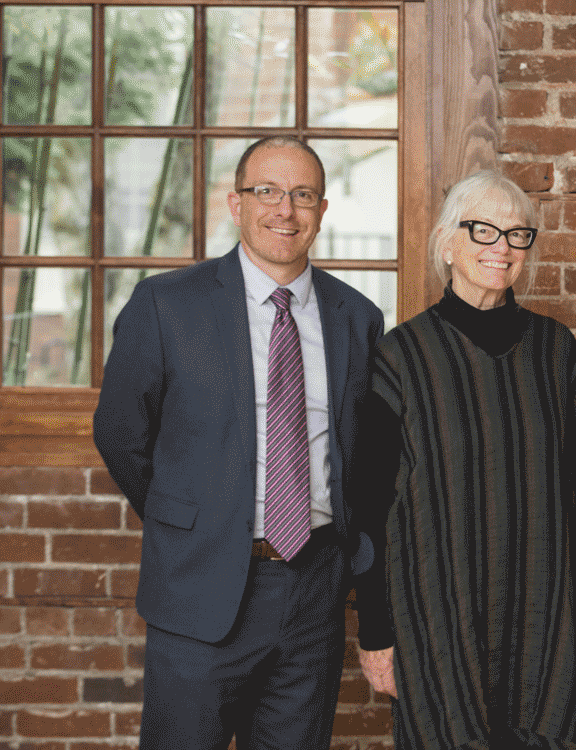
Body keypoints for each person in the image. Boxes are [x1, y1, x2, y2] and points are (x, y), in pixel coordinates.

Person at [93, 136, 384, 749]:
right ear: (236, 204)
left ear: (322, 210)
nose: (285, 210)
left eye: (303, 195)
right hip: (199, 592)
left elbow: (360, 457)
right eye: (268, 192)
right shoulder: (167, 304)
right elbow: (121, 432)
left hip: (312, 595)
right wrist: (191, 522)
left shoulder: (356, 317)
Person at [352, 170, 576, 749]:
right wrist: (375, 631)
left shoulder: (555, 351)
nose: (501, 248)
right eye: (482, 231)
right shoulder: (400, 358)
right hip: (437, 617)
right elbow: (369, 507)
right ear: (446, 243)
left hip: (543, 616)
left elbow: (575, 491)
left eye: (516, 235)